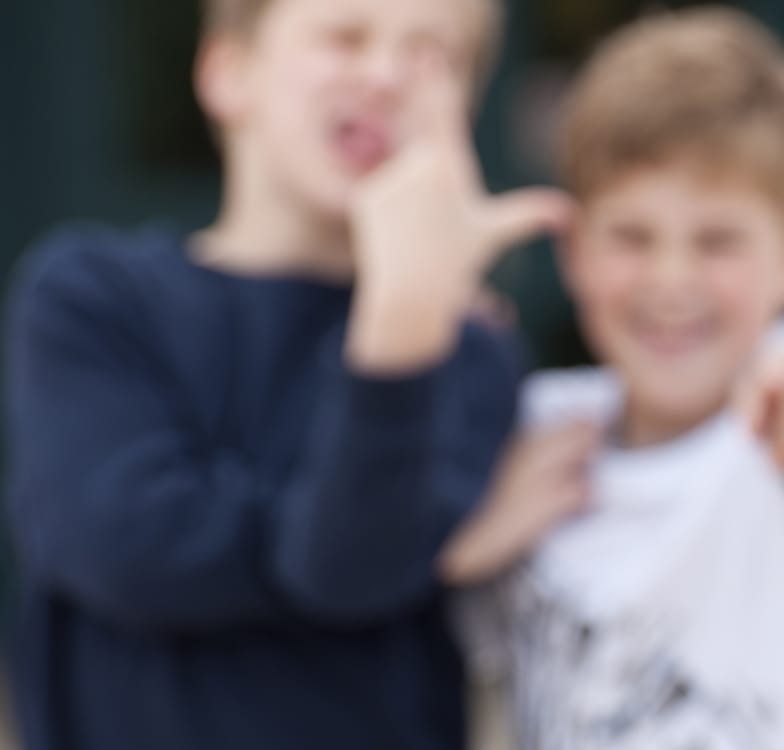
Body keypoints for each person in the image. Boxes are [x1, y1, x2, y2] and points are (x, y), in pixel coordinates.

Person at [3, 0, 570, 747]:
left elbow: (349, 564)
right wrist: (433, 552)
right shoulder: (91, 299)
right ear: (227, 72)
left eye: (434, 54)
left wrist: (402, 316)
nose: (385, 75)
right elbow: (126, 546)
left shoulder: (465, 354)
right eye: (345, 35)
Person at [453, 9, 784, 749]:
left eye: (717, 241)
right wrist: (466, 543)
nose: (671, 280)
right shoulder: (538, 431)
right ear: (574, 249)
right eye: (632, 237)